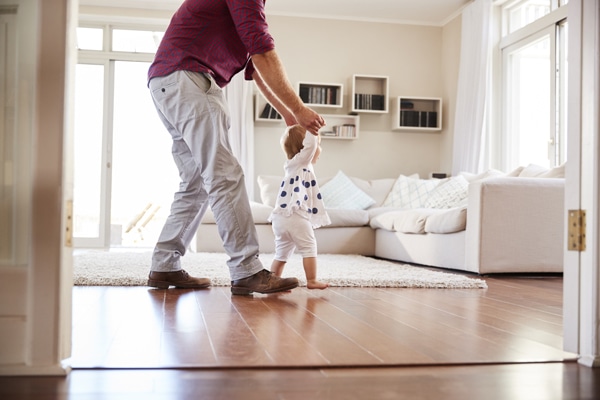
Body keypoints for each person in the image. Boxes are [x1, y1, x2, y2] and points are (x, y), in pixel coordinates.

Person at [145, 0, 325, 295]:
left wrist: (289, 113)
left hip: (169, 82)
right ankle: (247, 270)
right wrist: (300, 108)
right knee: (224, 175)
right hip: (188, 79)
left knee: (196, 182)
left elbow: (255, 65)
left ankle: (164, 264)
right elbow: (263, 52)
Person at [269, 124, 330, 290]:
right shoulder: (302, 162)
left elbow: (309, 145)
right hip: (295, 216)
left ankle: (273, 281)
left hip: (280, 218)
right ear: (305, 148)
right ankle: (311, 280)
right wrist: (312, 128)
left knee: (281, 254)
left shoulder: (293, 165)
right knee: (309, 247)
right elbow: (310, 145)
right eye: (318, 145)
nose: (319, 149)